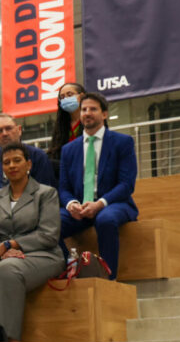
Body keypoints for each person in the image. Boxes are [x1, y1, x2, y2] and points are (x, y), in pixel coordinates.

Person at [0, 143, 65, 342]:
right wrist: (0, 250)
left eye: (17, 160)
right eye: (6, 162)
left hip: (43, 254)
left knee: (6, 270)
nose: (12, 165)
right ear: (2, 168)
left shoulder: (46, 193)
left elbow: (49, 235)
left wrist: (10, 244)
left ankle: (9, 341)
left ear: (28, 164)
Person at [58, 92, 138, 278]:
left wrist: (100, 204)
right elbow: (63, 188)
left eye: (93, 109)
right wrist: (71, 204)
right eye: (84, 109)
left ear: (104, 114)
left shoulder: (122, 142)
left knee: (106, 220)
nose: (87, 113)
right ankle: (67, 269)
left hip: (113, 204)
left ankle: (108, 279)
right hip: (80, 207)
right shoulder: (68, 149)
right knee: (49, 224)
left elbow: (126, 184)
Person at [0, 113, 56, 218]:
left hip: (29, 217)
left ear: (19, 130)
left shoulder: (38, 156)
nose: (4, 133)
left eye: (8, 128)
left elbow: (46, 197)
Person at [47, 82, 86, 178]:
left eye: (69, 95)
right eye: (62, 97)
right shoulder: (61, 126)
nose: (65, 99)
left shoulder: (91, 121)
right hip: (65, 174)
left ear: (81, 96)